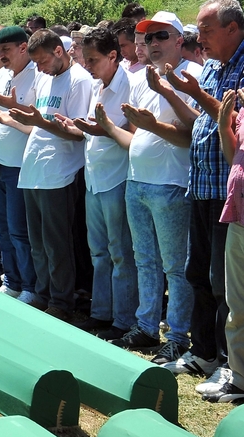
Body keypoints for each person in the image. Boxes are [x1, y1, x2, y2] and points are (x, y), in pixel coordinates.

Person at [98, 11, 202, 365]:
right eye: (148, 38)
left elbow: (191, 137)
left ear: (178, 40)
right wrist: (108, 127)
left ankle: (177, 336)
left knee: (175, 266)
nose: (152, 44)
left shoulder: (193, 76)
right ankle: (145, 327)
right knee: (145, 261)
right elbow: (139, 134)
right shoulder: (142, 77)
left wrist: (152, 126)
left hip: (171, 184)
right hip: (137, 181)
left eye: (160, 36)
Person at [163, 0, 244, 378]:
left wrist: (194, 92)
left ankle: (229, 363)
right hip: (201, 183)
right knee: (196, 273)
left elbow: (231, 120)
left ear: (233, 28)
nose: (200, 38)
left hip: (228, 194)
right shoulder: (211, 65)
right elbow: (203, 121)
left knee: (222, 283)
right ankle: (204, 352)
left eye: (207, 30)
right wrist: (173, 95)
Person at [8, 29, 93, 321]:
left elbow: (79, 133)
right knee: (38, 242)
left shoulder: (80, 80)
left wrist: (38, 122)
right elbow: (38, 123)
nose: (40, 69)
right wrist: (15, 114)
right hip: (34, 168)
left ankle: (61, 300)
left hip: (60, 171)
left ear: (59, 51)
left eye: (43, 61)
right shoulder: (45, 78)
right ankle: (43, 293)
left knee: (57, 243)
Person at [65, 28, 138, 340]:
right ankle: (101, 313)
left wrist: (98, 129)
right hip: (95, 179)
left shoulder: (131, 86)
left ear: (113, 56)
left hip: (117, 179)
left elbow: (132, 135)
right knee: (99, 252)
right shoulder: (97, 85)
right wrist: (77, 126)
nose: (88, 65)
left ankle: (122, 320)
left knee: (121, 252)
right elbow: (94, 129)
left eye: (93, 60)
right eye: (86, 59)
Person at [0, 26, 39, 305]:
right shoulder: (1, 74)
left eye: (6, 50)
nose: (1, 55)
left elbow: (36, 123)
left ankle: (29, 285)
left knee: (18, 230)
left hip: (19, 164)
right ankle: (10, 280)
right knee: (1, 227)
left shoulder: (36, 77)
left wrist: (7, 112)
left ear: (23, 48)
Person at [207, 87, 244, 403]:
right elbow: (236, 159)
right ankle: (240, 379)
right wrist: (223, 126)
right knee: (237, 303)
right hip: (238, 216)